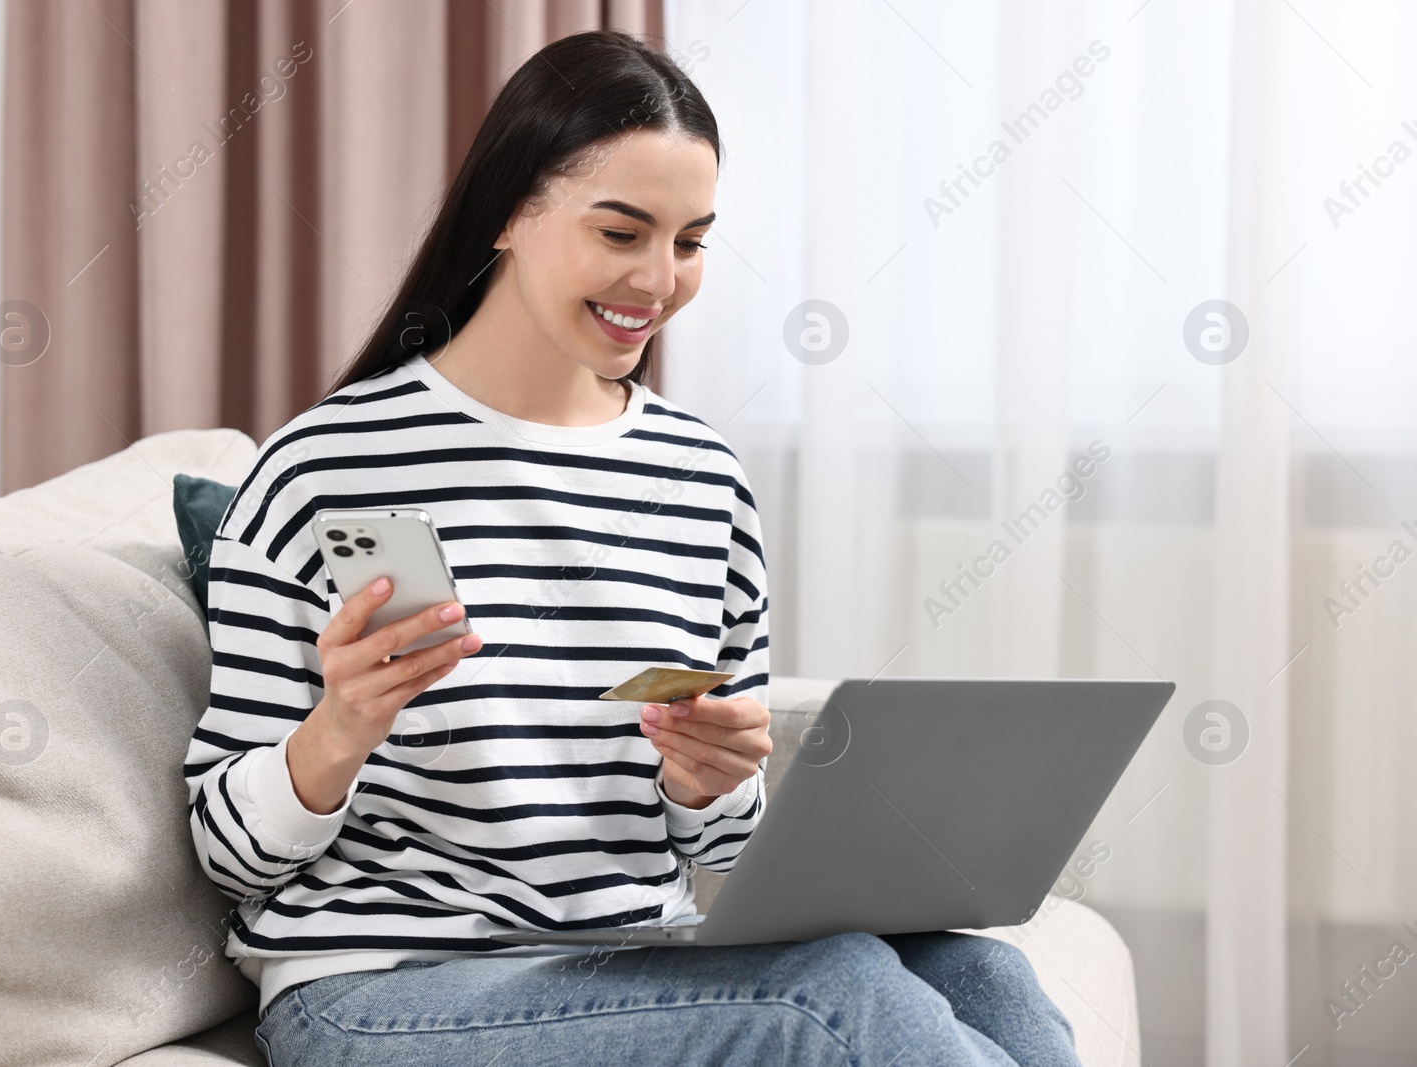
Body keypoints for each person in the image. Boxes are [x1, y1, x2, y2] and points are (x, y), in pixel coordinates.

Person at [183, 28, 1081, 1067]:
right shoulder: (329, 465)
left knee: (986, 974)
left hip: (628, 959)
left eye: (691, 241)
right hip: (383, 989)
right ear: (514, 211)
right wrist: (335, 732)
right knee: (828, 996)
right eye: (622, 233)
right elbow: (226, 855)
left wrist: (706, 783)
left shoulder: (699, 478)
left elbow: (720, 847)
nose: (659, 281)